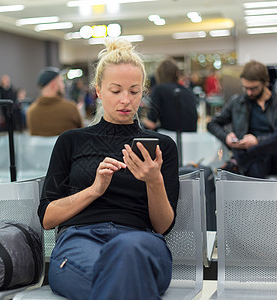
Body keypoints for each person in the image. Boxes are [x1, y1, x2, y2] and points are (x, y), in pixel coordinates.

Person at [38, 38, 179, 299]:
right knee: (125, 274)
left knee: (127, 253)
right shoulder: (71, 141)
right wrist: (94, 189)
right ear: (98, 91)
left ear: (143, 92)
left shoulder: (162, 147)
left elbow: (162, 227)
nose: (126, 100)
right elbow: (48, 218)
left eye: (134, 91)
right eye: (116, 91)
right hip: (80, 239)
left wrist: (153, 181)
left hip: (139, 239)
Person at [207, 60, 277, 178]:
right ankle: (246, 157)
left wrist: (258, 141)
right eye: (246, 88)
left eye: (254, 88)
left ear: (265, 83)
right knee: (256, 161)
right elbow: (212, 124)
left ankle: (242, 159)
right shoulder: (237, 102)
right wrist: (226, 137)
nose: (249, 92)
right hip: (255, 161)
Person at [144, 58, 198, 133]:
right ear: (177, 73)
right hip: (191, 136)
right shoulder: (188, 91)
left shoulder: (158, 90)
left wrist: (143, 121)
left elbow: (151, 123)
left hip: (170, 135)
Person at [27, 67, 83, 136]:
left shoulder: (31, 112)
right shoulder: (71, 108)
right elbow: (82, 135)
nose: (63, 85)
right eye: (61, 81)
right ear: (53, 84)